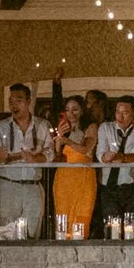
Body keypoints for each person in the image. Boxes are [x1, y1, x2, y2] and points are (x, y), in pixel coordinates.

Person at [0, 81, 52, 237]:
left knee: (32, 232)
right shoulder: (1, 127)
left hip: (33, 186)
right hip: (8, 186)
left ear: (29, 101)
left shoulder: (43, 125)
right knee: (8, 233)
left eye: (18, 100)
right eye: (11, 101)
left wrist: (36, 158)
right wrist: (0, 157)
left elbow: (50, 153)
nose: (14, 105)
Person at [95, 96, 134, 233]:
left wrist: (123, 157)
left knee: (130, 229)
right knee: (111, 229)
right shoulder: (105, 127)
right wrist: (105, 157)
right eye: (118, 112)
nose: (120, 117)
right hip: (108, 185)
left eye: (125, 113)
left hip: (130, 184)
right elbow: (101, 151)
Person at [50, 93, 97, 237]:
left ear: (82, 110)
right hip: (64, 177)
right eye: (68, 110)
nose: (71, 114)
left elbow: (86, 149)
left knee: (81, 218)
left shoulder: (91, 127)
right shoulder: (64, 129)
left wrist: (67, 141)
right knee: (62, 218)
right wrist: (58, 140)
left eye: (75, 109)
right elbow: (57, 157)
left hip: (83, 176)